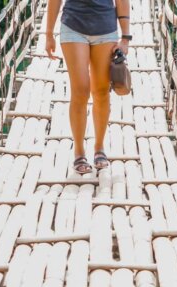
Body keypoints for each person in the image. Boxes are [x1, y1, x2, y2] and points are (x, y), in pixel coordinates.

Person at [45, 0, 131, 174]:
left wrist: (126, 37)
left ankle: (99, 147)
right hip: (73, 25)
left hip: (105, 27)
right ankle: (79, 152)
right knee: (81, 90)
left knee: (101, 91)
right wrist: (48, 34)